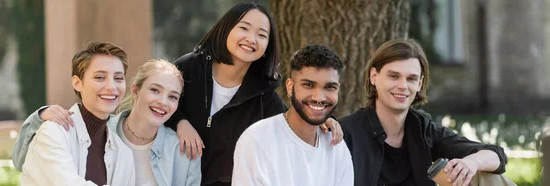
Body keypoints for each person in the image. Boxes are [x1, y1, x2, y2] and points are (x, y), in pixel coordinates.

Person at [164, 2, 343, 185]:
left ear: (267, 46)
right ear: (226, 28)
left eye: (261, 35)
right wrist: (180, 121)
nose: (251, 39)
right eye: (244, 28)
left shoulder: (265, 97)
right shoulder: (189, 68)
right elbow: (151, 104)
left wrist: (323, 118)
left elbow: (290, 124)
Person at [339, 39, 508, 186]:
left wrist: (472, 162)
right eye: (394, 76)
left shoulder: (422, 129)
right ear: (374, 76)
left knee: (487, 178)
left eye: (411, 79)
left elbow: (497, 156)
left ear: (419, 84)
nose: (403, 86)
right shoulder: (347, 132)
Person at [231, 45, 354, 186]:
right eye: (308, 85)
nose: (319, 97)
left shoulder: (337, 148)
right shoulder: (258, 139)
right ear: (290, 87)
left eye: (329, 87)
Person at [19, 42, 135, 185]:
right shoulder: (53, 134)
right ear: (77, 83)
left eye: (118, 78)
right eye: (100, 77)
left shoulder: (123, 151)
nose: (111, 87)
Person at [113, 59, 201, 185]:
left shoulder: (184, 151)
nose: (163, 102)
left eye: (172, 97)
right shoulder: (102, 133)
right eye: (155, 90)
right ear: (135, 91)